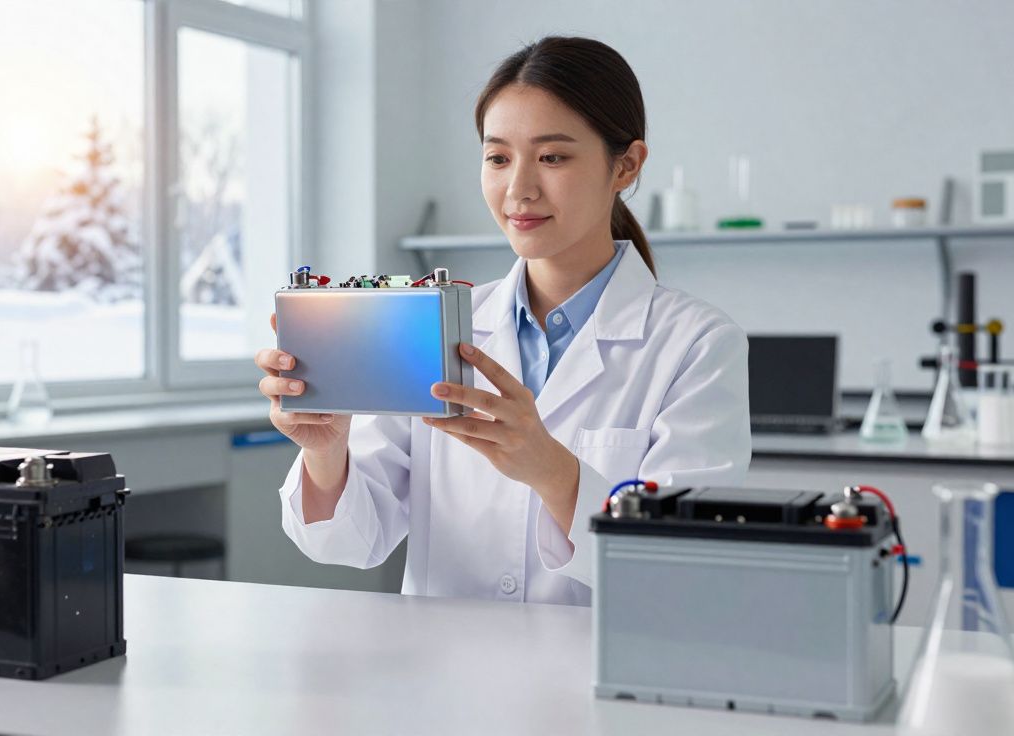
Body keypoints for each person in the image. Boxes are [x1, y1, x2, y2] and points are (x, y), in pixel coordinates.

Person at [255, 36, 750, 605]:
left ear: (626, 165)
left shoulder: (696, 346)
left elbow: (684, 568)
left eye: (553, 157)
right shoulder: (434, 327)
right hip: (444, 679)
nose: (519, 189)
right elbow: (348, 544)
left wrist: (555, 473)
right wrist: (325, 448)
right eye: (498, 157)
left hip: (591, 677)